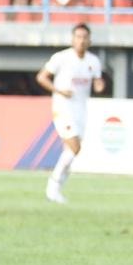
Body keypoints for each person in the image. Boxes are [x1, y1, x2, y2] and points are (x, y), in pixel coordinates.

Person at [37, 23, 105, 204]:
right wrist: (59, 91)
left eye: (84, 37)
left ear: (89, 41)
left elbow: (98, 81)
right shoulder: (61, 58)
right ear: (72, 39)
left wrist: (99, 85)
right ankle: (53, 185)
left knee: (72, 151)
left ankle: (57, 189)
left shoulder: (93, 61)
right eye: (78, 37)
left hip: (81, 110)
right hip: (63, 108)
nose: (81, 41)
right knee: (75, 147)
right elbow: (42, 77)